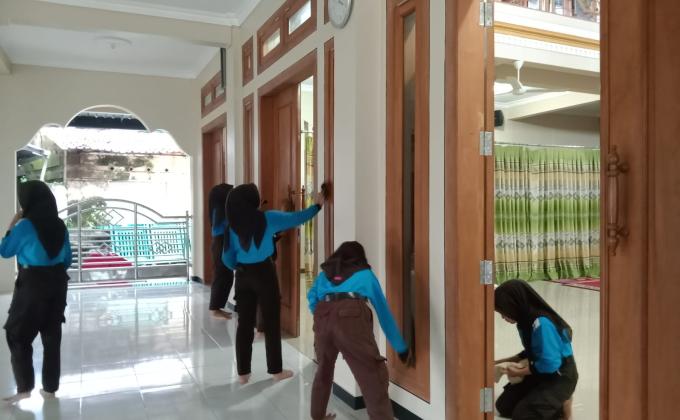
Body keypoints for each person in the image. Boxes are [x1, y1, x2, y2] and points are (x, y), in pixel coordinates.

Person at [222, 183, 325, 384]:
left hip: (242, 275)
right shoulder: (268, 218)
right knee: (271, 322)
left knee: (244, 324)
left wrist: (239, 267)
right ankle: (276, 371)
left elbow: (226, 258)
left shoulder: (231, 226)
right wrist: (317, 206)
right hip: (264, 273)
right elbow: (297, 218)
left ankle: (243, 373)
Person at [307, 241, 410, 420]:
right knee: (372, 376)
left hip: (323, 315)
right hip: (350, 315)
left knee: (323, 370)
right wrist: (400, 346)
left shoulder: (324, 275)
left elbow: (311, 297)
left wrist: (323, 316)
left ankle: (318, 417)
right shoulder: (365, 274)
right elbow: (383, 311)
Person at [1, 181, 72, 403]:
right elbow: (68, 259)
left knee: (17, 334)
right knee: (51, 335)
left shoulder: (25, 226)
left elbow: (5, 251)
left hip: (32, 284)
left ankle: (24, 388)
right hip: (58, 283)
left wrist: (13, 224)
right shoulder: (60, 225)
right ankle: (50, 388)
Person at [494, 279, 578, 420]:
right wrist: (497, 362)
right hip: (541, 372)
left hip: (560, 376)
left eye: (503, 311)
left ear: (513, 304)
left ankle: (563, 402)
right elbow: (529, 353)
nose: (503, 317)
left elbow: (550, 363)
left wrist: (518, 372)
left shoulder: (541, 323)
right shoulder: (524, 321)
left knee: (523, 415)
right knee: (504, 406)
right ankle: (547, 401)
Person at [207, 183, 234, 319]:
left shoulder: (219, 208)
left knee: (226, 275)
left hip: (221, 242)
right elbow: (225, 225)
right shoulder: (220, 209)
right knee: (221, 274)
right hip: (221, 242)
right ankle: (214, 309)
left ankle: (217, 307)